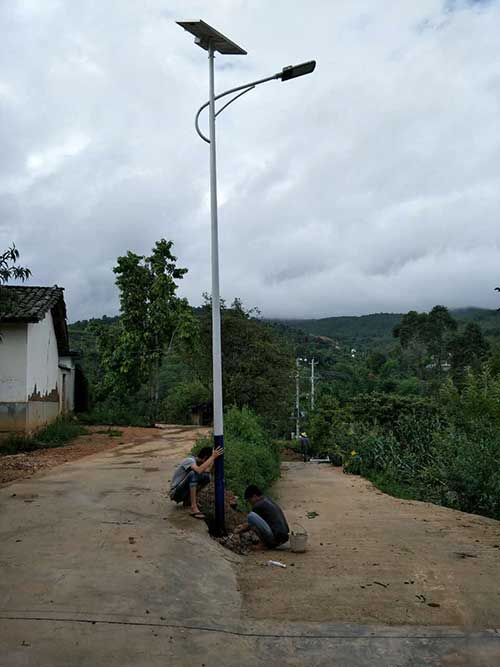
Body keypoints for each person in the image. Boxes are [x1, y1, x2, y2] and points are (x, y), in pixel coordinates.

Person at [169, 446, 223, 519]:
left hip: (182, 492)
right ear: (205, 458)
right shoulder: (190, 460)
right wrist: (213, 457)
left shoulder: (197, 463)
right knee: (194, 474)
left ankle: (188, 501)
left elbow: (207, 471)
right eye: (208, 461)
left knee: (207, 477)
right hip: (175, 493)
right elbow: (199, 470)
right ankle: (193, 508)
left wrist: (213, 457)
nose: (208, 463)